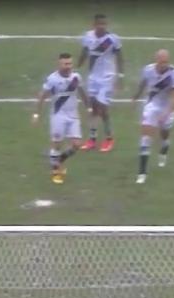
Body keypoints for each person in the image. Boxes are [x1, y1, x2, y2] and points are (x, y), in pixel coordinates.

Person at [33, 53, 89, 184]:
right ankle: (56, 171)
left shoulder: (76, 77)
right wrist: (36, 114)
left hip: (73, 115)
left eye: (70, 63)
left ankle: (58, 160)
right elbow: (42, 96)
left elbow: (82, 92)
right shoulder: (52, 79)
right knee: (57, 144)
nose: (68, 66)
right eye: (65, 64)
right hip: (58, 115)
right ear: (59, 64)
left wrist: (89, 108)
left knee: (77, 145)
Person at [131, 49, 174, 184]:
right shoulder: (148, 70)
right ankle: (142, 172)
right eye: (161, 62)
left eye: (166, 62)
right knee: (146, 137)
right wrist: (136, 96)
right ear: (156, 61)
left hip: (168, 106)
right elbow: (143, 83)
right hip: (152, 105)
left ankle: (165, 146)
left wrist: (166, 113)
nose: (164, 65)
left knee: (165, 132)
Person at [77, 14, 124, 153]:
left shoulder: (112, 39)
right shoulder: (88, 36)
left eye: (104, 24)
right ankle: (92, 138)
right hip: (93, 78)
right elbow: (84, 52)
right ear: (94, 24)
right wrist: (77, 67)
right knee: (93, 107)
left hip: (107, 78)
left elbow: (120, 57)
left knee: (102, 108)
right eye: (99, 24)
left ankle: (109, 138)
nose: (101, 26)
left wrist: (121, 76)